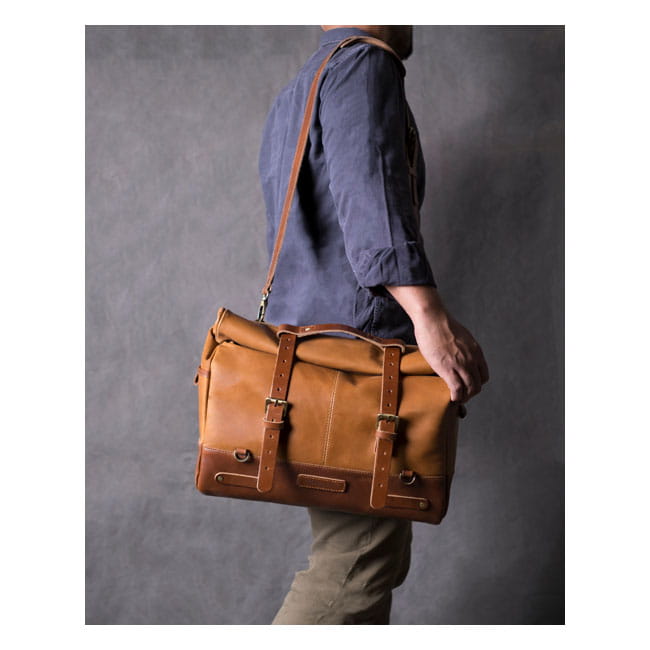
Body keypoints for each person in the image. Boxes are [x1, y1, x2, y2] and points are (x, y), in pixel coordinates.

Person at [258, 25, 489, 625]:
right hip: (357, 374)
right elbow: (373, 210)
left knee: (363, 558)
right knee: (355, 566)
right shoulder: (363, 65)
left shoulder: (304, 85)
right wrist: (429, 320)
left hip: (315, 366)